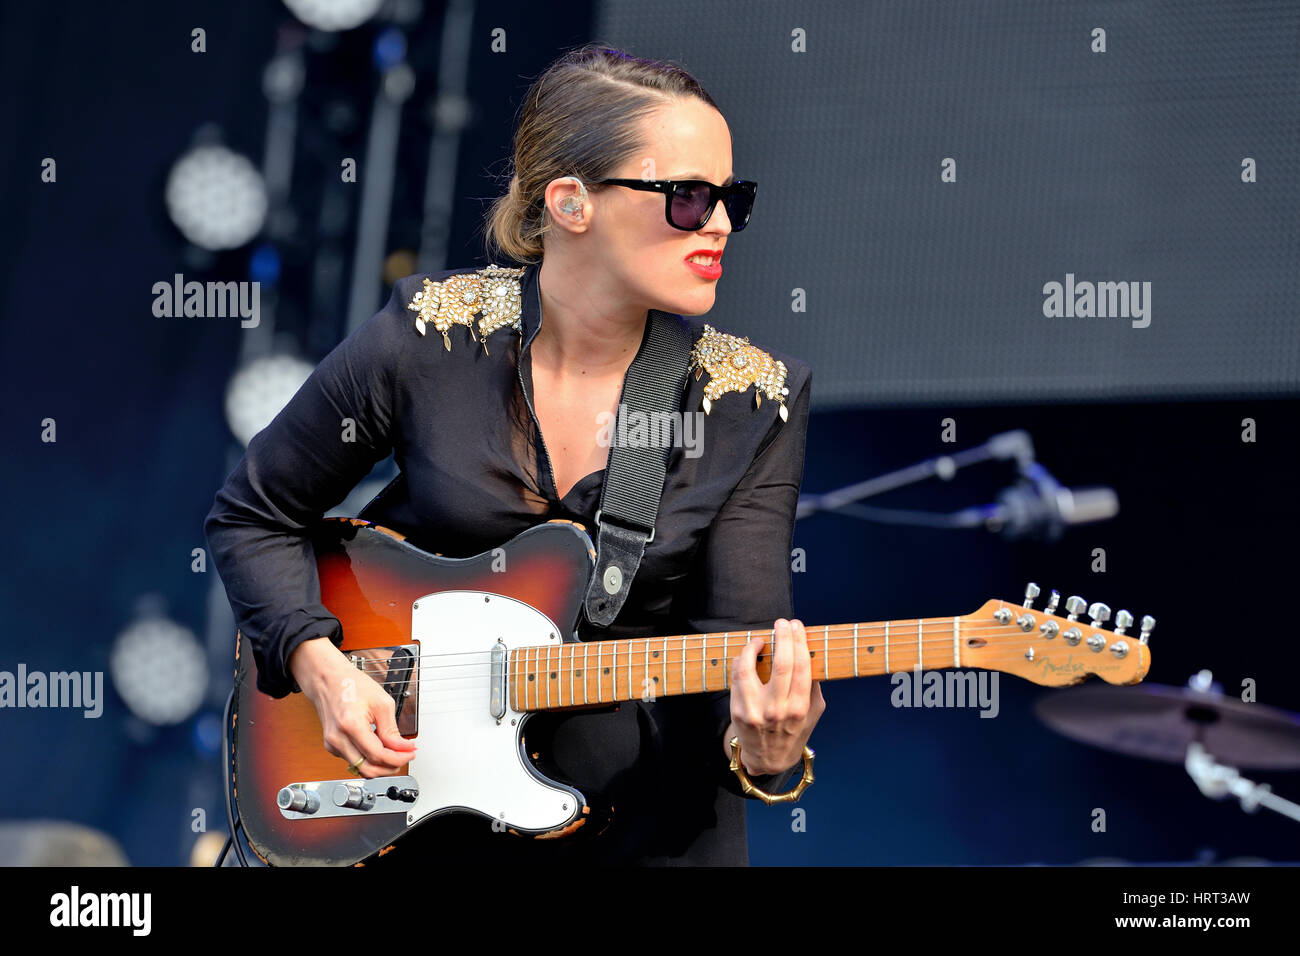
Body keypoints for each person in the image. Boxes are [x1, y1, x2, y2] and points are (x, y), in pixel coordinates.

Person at [205, 44, 824, 865]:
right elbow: (252, 515)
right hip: (412, 813)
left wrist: (769, 751)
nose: (717, 223)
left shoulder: (752, 402)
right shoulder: (430, 334)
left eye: (730, 199)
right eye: (686, 196)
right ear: (570, 202)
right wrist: (322, 669)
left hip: (640, 832)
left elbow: (737, 668)